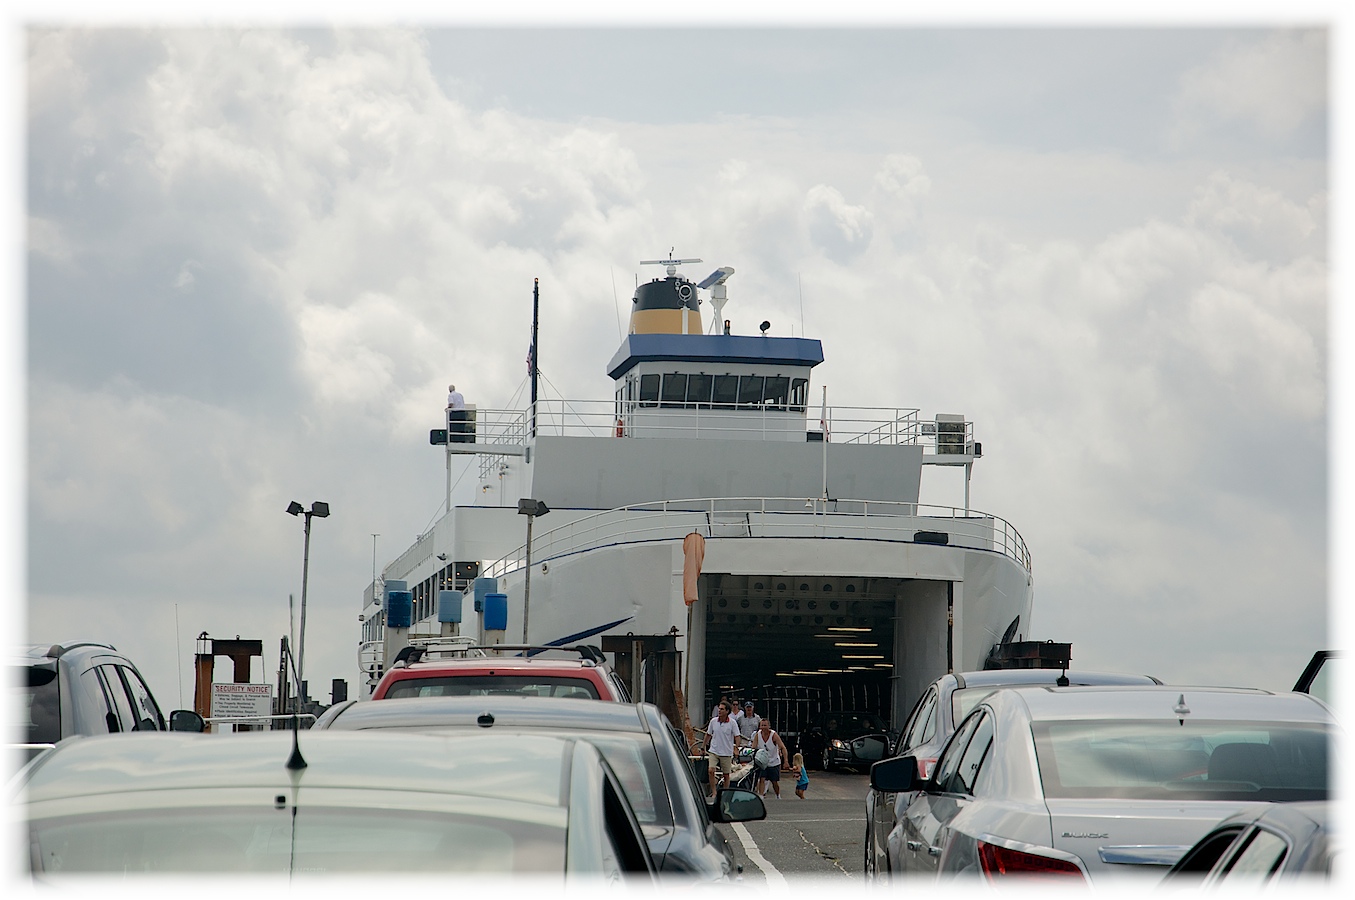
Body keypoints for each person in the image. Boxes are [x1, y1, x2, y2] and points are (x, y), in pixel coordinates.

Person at [703, 701, 742, 799]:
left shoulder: (732, 723)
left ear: (727, 711)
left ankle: (724, 793)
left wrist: (736, 748)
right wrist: (703, 746)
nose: (719, 711)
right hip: (714, 750)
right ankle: (714, 792)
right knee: (711, 770)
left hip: (726, 752)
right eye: (719, 709)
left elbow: (737, 736)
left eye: (722, 709)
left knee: (726, 775)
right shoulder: (713, 721)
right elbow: (708, 734)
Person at [751, 718, 790, 799]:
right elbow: (753, 748)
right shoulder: (758, 735)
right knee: (762, 779)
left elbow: (783, 747)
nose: (763, 727)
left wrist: (786, 761)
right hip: (763, 762)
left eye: (765, 725)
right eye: (762, 725)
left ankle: (778, 795)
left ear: (769, 726)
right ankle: (761, 795)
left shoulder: (774, 735)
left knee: (774, 781)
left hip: (773, 762)